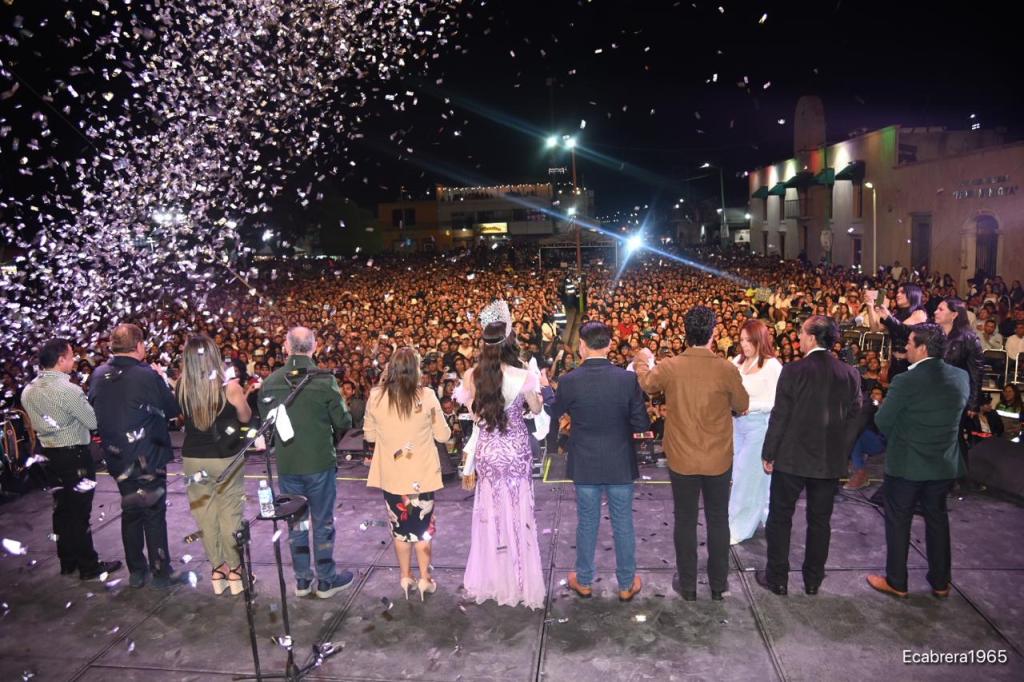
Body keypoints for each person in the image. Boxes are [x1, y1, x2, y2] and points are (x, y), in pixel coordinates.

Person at [635, 306, 748, 601]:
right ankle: (718, 584)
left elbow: (647, 384)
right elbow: (743, 404)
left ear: (685, 332)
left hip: (683, 458)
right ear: (713, 333)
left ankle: (687, 585)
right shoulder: (725, 368)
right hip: (718, 459)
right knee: (718, 519)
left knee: (685, 519)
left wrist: (642, 361)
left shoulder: (672, 366)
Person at [757, 316, 862, 596]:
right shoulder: (849, 373)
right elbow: (855, 416)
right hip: (828, 461)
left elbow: (780, 416)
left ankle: (777, 578)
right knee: (820, 521)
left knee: (781, 517)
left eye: (801, 333)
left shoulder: (793, 370)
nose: (798, 338)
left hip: (791, 458)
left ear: (812, 338)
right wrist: (841, 449)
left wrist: (769, 452)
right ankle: (813, 580)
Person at [549, 321, 650, 602]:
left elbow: (555, 411)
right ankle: (627, 584)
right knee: (623, 523)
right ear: (608, 345)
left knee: (587, 522)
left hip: (585, 462)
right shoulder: (627, 380)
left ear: (582, 346)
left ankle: (583, 581)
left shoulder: (569, 380)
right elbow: (641, 422)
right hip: (619, 461)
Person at [867, 324, 970, 598]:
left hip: (907, 466)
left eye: (911, 343)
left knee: (898, 521)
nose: (906, 348)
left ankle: (897, 582)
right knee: (937, 520)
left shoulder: (906, 380)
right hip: (943, 465)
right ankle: (940, 582)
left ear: (923, 347)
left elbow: (882, 421)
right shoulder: (961, 377)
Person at [456, 300, 546, 609]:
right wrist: (536, 395)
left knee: (490, 510)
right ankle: (519, 581)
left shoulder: (472, 375)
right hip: (516, 448)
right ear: (510, 343)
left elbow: (473, 412)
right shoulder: (522, 376)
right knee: (518, 510)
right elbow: (536, 409)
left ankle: (492, 579)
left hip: (489, 451)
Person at [258, 327, 353, 599]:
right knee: (322, 521)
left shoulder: (271, 381)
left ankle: (302, 581)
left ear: (286, 347)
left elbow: (268, 427)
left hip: (288, 464)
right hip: (320, 462)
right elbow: (344, 422)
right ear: (315, 347)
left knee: (296, 523)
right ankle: (325, 580)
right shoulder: (324, 380)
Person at [89, 324, 182, 589]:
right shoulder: (145, 375)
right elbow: (172, 409)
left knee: (131, 513)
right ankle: (161, 572)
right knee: (153, 513)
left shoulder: (98, 373)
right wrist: (160, 378)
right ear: (139, 345)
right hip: (148, 457)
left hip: (117, 458)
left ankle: (137, 572)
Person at [21, 338, 122, 580]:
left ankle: (67, 561)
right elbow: (93, 422)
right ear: (60, 360)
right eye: (71, 355)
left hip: (48, 455)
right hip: (74, 455)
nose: (74, 359)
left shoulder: (29, 390)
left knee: (62, 509)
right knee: (79, 513)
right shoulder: (68, 391)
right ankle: (89, 565)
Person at [364, 347, 451, 600]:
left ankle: (405, 577)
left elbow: (369, 435)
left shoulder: (376, 397)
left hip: (393, 476)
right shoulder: (428, 396)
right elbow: (443, 435)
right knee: (423, 528)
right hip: (421, 475)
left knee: (400, 529)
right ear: (417, 369)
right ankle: (425, 579)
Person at [176, 335, 253, 595]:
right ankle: (235, 571)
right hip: (225, 457)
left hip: (192, 458)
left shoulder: (181, 386)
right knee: (230, 513)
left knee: (205, 516)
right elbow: (245, 417)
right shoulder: (229, 386)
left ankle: (217, 569)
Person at [728, 319, 782, 545]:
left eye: (748, 340)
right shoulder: (737, 361)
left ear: (759, 340)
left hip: (759, 426)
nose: (744, 345)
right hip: (736, 424)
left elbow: (776, 401)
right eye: (741, 340)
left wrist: (751, 406)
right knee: (745, 475)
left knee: (745, 476)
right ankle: (762, 515)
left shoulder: (772, 366)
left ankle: (738, 527)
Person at [845, 387, 887, 490]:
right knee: (856, 434)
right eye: (872, 394)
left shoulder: (887, 407)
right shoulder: (868, 406)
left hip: (882, 441)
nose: (874, 396)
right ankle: (857, 471)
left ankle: (860, 473)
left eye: (878, 394)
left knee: (856, 434)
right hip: (867, 438)